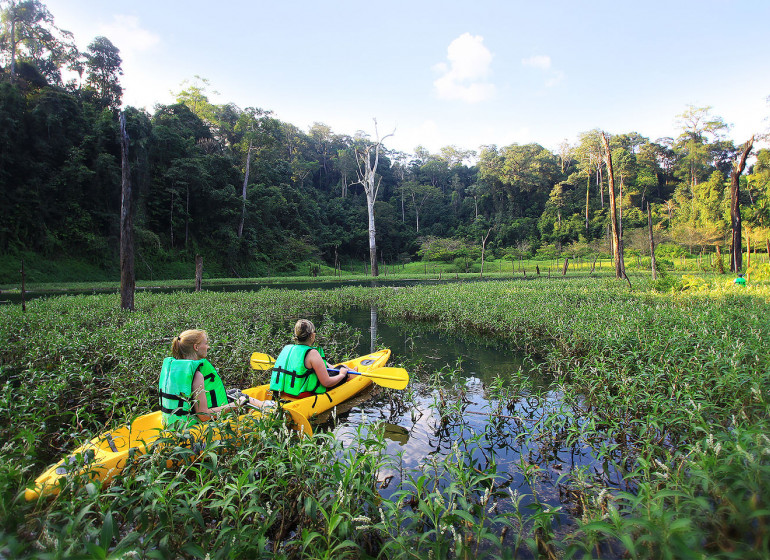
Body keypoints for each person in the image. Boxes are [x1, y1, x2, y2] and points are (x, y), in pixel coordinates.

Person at [158, 329, 269, 428]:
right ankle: (271, 411)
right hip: (197, 424)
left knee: (235, 392)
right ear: (196, 347)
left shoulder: (177, 369)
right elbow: (203, 415)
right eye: (205, 344)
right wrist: (236, 404)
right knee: (241, 398)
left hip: (177, 420)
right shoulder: (197, 376)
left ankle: (265, 405)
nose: (208, 347)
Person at [269, 319, 352, 399]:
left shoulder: (288, 348)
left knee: (335, 368)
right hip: (302, 394)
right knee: (343, 368)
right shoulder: (312, 353)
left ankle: (350, 371)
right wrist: (342, 374)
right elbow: (327, 382)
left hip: (286, 391)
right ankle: (353, 377)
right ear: (312, 335)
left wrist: (330, 366)